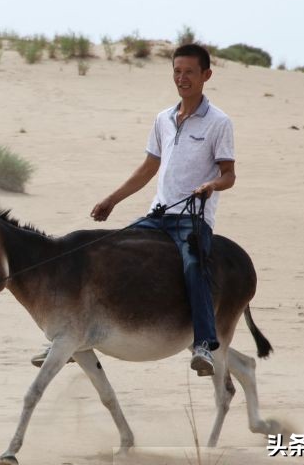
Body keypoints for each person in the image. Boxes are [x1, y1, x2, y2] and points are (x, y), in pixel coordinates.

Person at [32, 43, 235, 377]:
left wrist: (210, 186)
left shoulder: (219, 122)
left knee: (194, 267)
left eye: (189, 72)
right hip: (158, 216)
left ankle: (203, 345)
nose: (182, 78)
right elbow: (147, 168)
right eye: (177, 71)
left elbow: (229, 175)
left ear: (206, 75)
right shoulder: (164, 119)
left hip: (193, 220)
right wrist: (113, 199)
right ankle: (71, 337)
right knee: (105, 253)